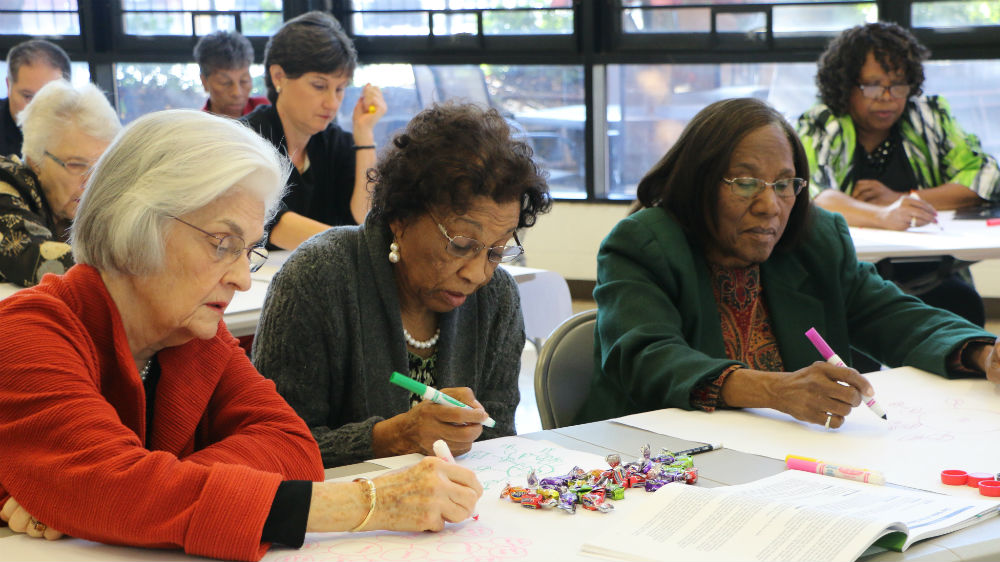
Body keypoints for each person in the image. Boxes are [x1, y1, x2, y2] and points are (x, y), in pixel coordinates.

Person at [0, 110, 482, 561]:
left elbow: (294, 446)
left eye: (247, 250)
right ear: (134, 225)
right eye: (222, 244)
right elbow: (116, 486)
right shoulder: (24, 335)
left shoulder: (194, 337)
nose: (243, 278)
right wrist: (368, 502)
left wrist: (116, 496)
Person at [575, 98, 1000, 430]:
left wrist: (982, 353)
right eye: (745, 183)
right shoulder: (643, 243)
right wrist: (773, 389)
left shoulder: (814, 239)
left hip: (786, 460)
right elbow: (646, 358)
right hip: (652, 463)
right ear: (699, 182)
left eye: (784, 184)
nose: (770, 206)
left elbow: (892, 315)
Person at [252, 103, 551, 468]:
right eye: (460, 245)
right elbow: (271, 448)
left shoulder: (496, 297)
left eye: (497, 250)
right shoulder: (318, 277)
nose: (477, 273)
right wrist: (393, 438)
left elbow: (497, 436)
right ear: (400, 217)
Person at [797, 22, 1000, 327]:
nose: (887, 97)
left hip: (932, 275)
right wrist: (882, 214)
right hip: (847, 278)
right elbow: (810, 194)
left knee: (963, 309)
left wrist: (904, 199)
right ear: (846, 85)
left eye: (899, 85)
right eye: (873, 85)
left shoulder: (928, 117)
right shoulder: (823, 123)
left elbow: (985, 175)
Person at [242, 11, 386, 250]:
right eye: (319, 86)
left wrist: (364, 136)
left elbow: (366, 216)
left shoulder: (337, 142)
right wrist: (358, 246)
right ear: (279, 76)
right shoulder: (247, 138)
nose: (332, 103)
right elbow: (269, 221)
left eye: (340, 89)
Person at [0, 79, 120, 286]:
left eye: (99, 168)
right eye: (76, 165)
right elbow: (26, 253)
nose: (90, 181)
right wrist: (126, 269)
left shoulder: (98, 199)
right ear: (35, 160)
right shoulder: (7, 182)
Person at [1, 39, 71, 157]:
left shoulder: (80, 129)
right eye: (28, 97)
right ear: (9, 86)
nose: (38, 108)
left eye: (49, 98)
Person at [193, 30, 269, 119]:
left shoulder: (267, 111)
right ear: (204, 82)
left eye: (244, 81)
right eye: (225, 83)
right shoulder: (198, 127)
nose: (237, 93)